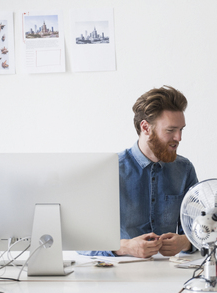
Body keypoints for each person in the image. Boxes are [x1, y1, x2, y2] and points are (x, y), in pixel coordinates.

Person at [80, 86, 198, 258]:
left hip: (171, 274)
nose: (179, 138)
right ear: (145, 128)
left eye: (181, 130)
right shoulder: (110, 171)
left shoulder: (185, 169)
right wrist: (124, 247)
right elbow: (81, 240)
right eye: (171, 130)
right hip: (118, 276)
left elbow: (201, 230)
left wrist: (185, 242)